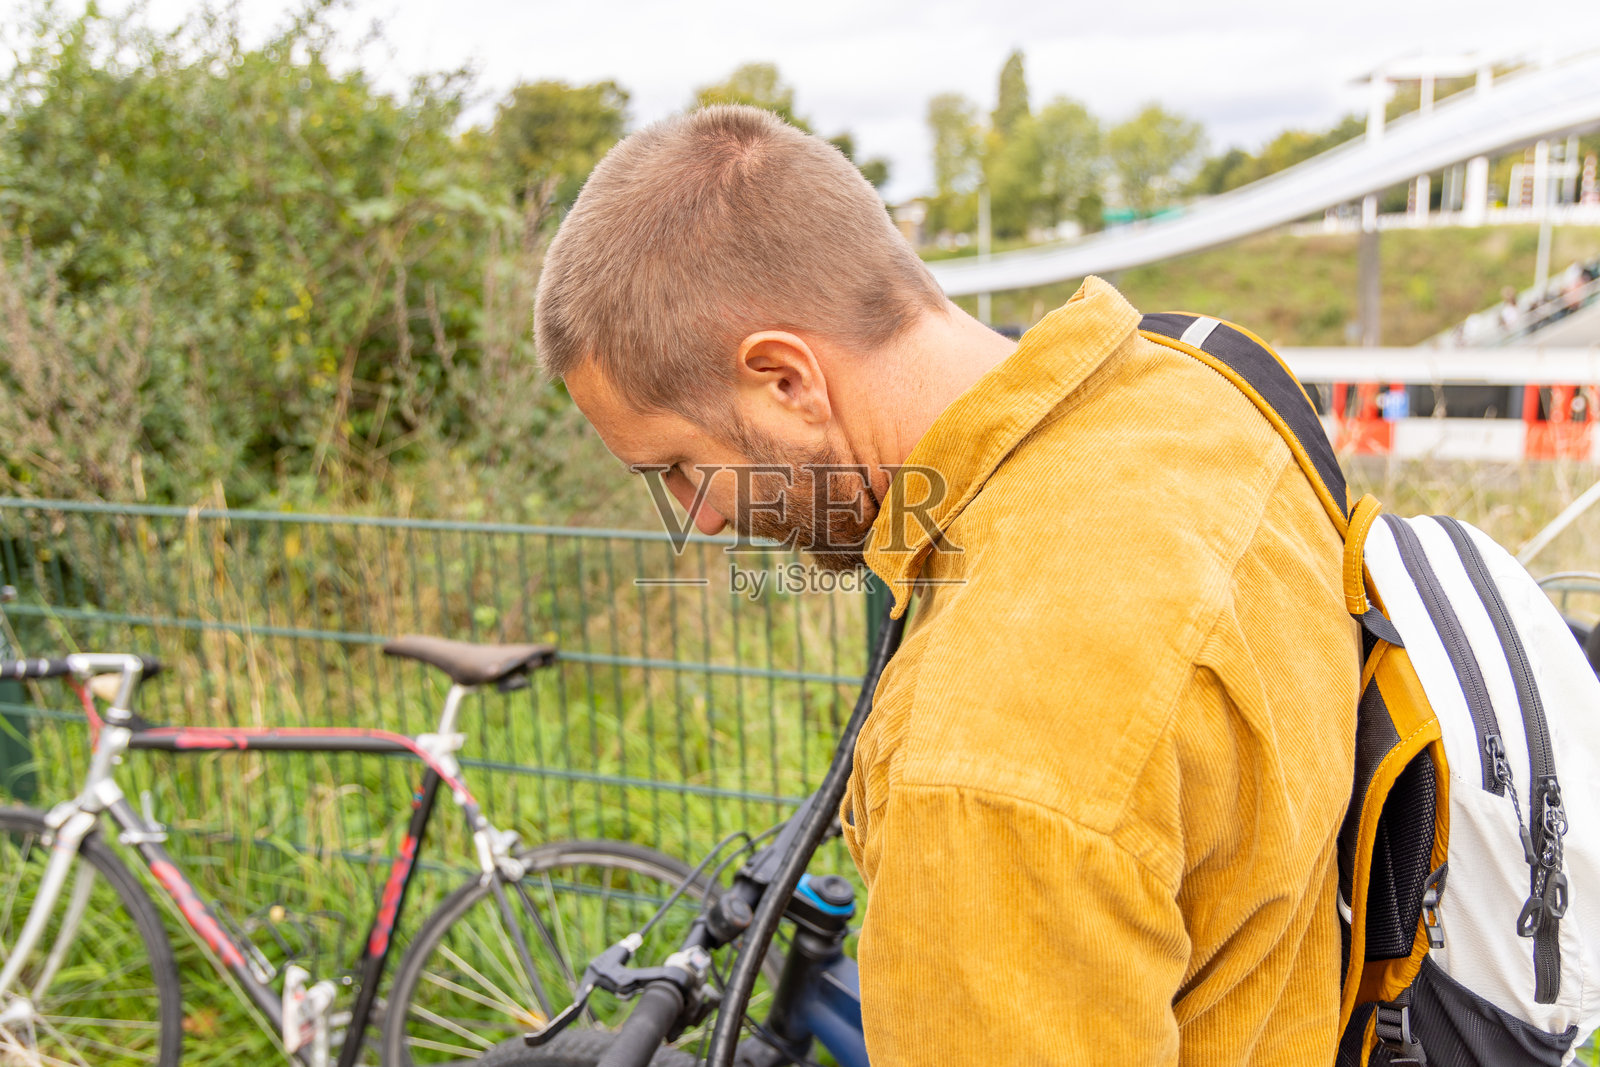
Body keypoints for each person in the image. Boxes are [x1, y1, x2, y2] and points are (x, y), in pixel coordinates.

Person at [534, 105, 1359, 1065]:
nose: (699, 518)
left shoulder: (984, 752)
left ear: (788, 380)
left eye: (678, 465)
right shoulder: (1201, 389)